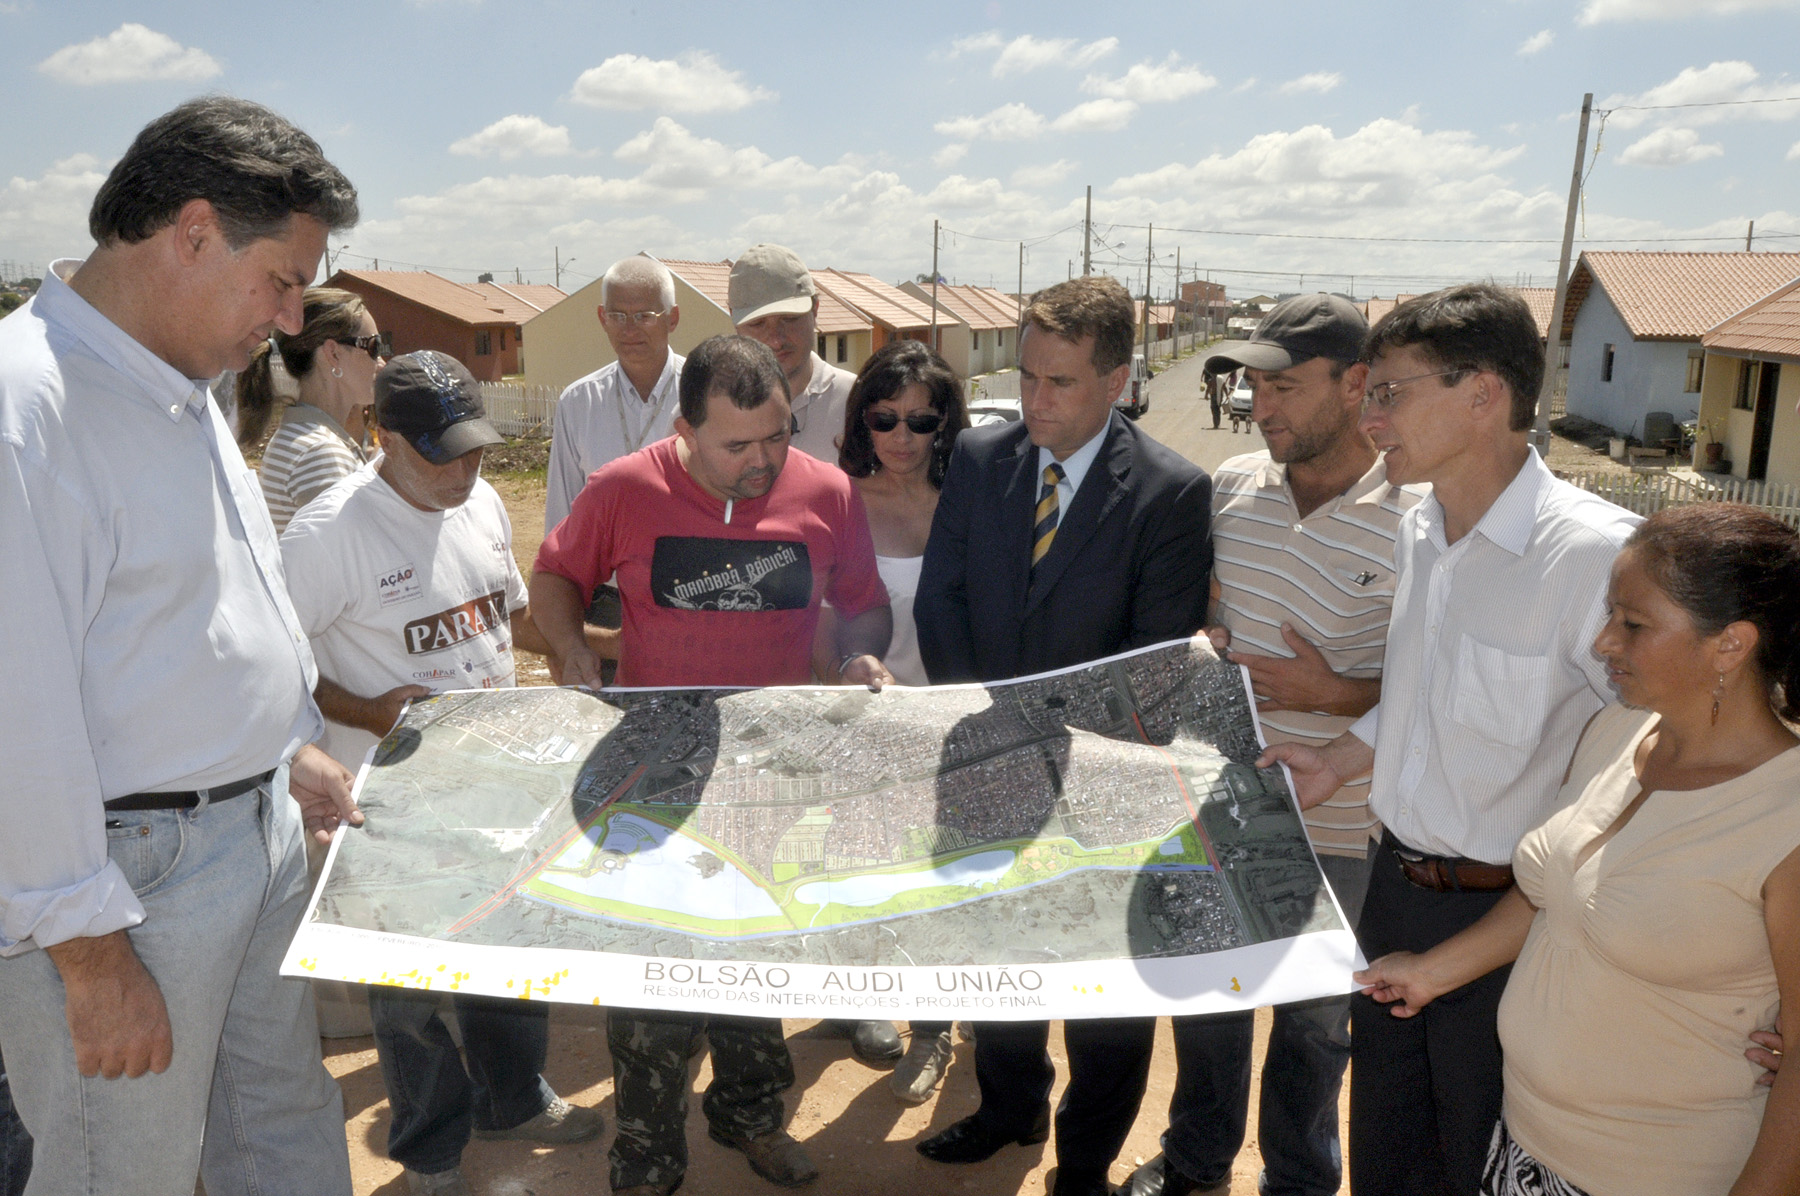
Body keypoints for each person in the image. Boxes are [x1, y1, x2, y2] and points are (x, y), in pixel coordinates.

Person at [0, 96, 363, 1196]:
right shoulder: (28, 407)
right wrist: (89, 952)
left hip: (251, 829)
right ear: (195, 230)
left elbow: (210, 599)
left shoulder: (180, 376)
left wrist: (286, 740)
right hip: (127, 879)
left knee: (281, 1121)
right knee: (126, 1166)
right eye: (284, 280)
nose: (293, 317)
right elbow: (16, 710)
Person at [1260, 284, 1640, 1196]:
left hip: (1521, 922)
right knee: (1390, 1154)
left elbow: (1652, 772)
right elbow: (1430, 695)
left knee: (1484, 1162)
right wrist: (1345, 756)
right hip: (1396, 893)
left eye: (1390, 391)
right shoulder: (1425, 526)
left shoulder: (1599, 558)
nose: (1372, 416)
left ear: (1483, 395)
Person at [531, 334, 895, 1195]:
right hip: (652, 775)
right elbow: (555, 576)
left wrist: (855, 661)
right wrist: (570, 647)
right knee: (652, 981)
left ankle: (751, 1118)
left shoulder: (829, 492)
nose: (764, 461)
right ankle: (649, 1152)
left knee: (754, 956)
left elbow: (863, 607)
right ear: (685, 429)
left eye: (778, 435)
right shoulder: (624, 488)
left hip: (770, 774)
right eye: (738, 445)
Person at [1355, 503, 1800, 1196]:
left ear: (1731, 645)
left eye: (1633, 623)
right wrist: (1433, 972)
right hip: (1522, 1150)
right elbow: (1556, 895)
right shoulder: (1616, 734)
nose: (1602, 644)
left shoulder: (1786, 817)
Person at [912, 275, 1213, 1196]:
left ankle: (1084, 1157)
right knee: (1000, 953)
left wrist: (1056, 750)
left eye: (1062, 383)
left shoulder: (1169, 492)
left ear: (1117, 380)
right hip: (986, 757)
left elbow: (1151, 662)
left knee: (1101, 988)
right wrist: (994, 728)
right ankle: (1008, 1109)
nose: (1035, 400)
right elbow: (942, 601)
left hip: (1105, 782)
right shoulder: (978, 457)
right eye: (1029, 375)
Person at [279, 352, 604, 1196]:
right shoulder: (327, 537)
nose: (464, 470)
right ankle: (430, 1157)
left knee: (508, 950)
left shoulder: (484, 502)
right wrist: (370, 708)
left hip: (496, 781)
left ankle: (515, 1096)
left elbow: (512, 614)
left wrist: (575, 647)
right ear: (382, 438)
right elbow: (272, 671)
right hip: (391, 801)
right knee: (410, 996)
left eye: (475, 450)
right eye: (441, 454)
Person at [1121, 295, 1424, 1196]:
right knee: (1211, 1003)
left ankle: (1296, 1179)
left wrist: (1340, 693)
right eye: (1254, 384)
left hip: (1346, 823)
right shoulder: (1232, 489)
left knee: (1314, 1027)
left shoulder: (1420, 518)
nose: (1263, 406)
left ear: (1356, 383)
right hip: (1225, 803)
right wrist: (1206, 643)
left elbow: (1441, 688)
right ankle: (1195, 1165)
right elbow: (1210, 613)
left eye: (1285, 385)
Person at [812, 338, 971, 1105]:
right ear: (859, 421)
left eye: (921, 421)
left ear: (947, 424)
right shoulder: (835, 499)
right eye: (884, 419)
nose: (902, 438)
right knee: (864, 868)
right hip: (861, 723)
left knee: (941, 880)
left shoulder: (972, 500)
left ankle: (938, 1027)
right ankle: (864, 1000)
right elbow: (817, 616)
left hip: (952, 722)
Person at [544, 255, 686, 684]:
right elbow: (561, 522)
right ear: (602, 318)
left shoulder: (706, 393)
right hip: (605, 606)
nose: (630, 328)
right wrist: (564, 640)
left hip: (686, 598)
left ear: (673, 319)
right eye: (619, 316)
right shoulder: (578, 402)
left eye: (645, 315)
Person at [237, 285, 382, 533]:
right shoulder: (322, 453)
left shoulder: (305, 439)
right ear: (333, 354)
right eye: (373, 347)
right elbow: (347, 563)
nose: (381, 362)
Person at [730, 243, 855, 463]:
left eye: (789, 319)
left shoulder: (860, 404)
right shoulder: (702, 411)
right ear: (733, 320)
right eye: (758, 324)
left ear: (815, 309)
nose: (776, 340)